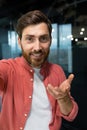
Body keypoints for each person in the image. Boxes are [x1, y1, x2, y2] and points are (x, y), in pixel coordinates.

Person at [0, 10, 78, 130]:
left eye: (43, 39)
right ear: (20, 42)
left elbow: (69, 115)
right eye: (30, 39)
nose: (37, 47)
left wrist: (63, 99)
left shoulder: (57, 71)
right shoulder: (8, 68)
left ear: (50, 41)